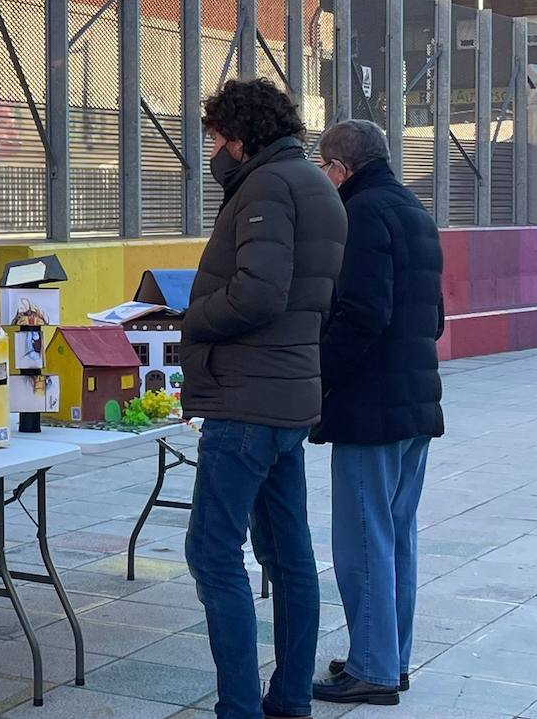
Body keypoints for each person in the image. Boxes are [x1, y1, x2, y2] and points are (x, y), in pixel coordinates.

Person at [179, 79, 347, 719]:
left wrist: (188, 317)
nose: (214, 150)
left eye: (218, 137)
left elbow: (258, 294)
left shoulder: (267, 186)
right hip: (287, 393)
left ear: (242, 138)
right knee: (288, 554)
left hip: (246, 400)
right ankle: (290, 699)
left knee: (212, 552)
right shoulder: (314, 185)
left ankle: (240, 708)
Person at [311, 121, 445, 706]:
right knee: (396, 538)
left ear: (341, 168)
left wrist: (319, 378)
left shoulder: (362, 214)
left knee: (363, 540)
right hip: (415, 404)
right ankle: (391, 656)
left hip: (371, 406)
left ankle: (372, 667)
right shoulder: (415, 209)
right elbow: (434, 318)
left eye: (324, 167)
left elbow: (362, 313)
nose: (323, 178)